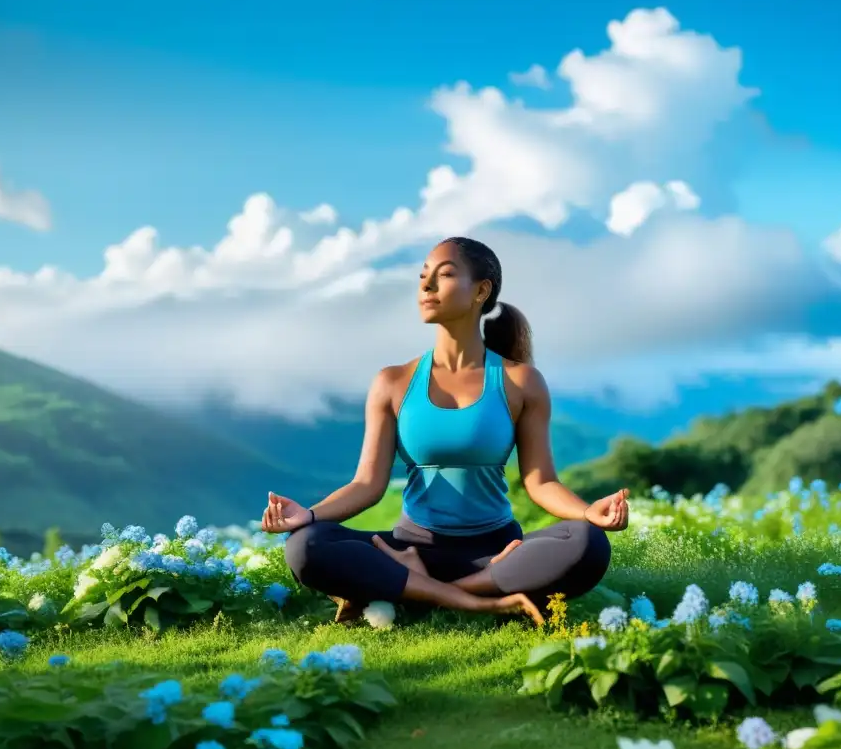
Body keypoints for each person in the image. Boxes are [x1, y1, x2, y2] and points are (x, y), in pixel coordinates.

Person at [261, 236, 629, 625]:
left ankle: (420, 591)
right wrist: (310, 514)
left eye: (445, 274)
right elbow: (367, 485)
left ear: (481, 291)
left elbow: (541, 482)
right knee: (306, 544)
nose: (426, 286)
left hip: (496, 551)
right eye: (423, 276)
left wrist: (588, 511)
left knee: (586, 542)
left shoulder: (520, 381)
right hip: (408, 548)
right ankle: (472, 596)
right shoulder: (393, 382)